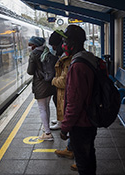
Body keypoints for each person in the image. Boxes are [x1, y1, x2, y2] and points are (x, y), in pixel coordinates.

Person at [60, 25, 97, 175]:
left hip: (81, 123)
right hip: (90, 119)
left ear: (72, 43)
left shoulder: (77, 66)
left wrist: (65, 127)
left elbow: (74, 103)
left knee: (83, 163)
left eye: (65, 41)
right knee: (89, 156)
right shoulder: (88, 58)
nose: (64, 45)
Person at [27, 36, 56, 141]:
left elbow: (30, 71)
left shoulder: (34, 54)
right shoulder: (48, 52)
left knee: (42, 108)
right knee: (46, 107)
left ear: (35, 45)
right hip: (49, 84)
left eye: (30, 45)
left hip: (40, 85)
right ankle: (46, 127)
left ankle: (47, 133)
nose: (30, 47)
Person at [49, 30, 72, 130]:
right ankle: (60, 120)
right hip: (63, 87)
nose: (52, 48)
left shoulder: (66, 56)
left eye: (54, 45)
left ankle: (62, 122)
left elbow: (64, 81)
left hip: (64, 87)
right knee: (57, 99)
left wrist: (53, 80)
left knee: (62, 102)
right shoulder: (62, 54)